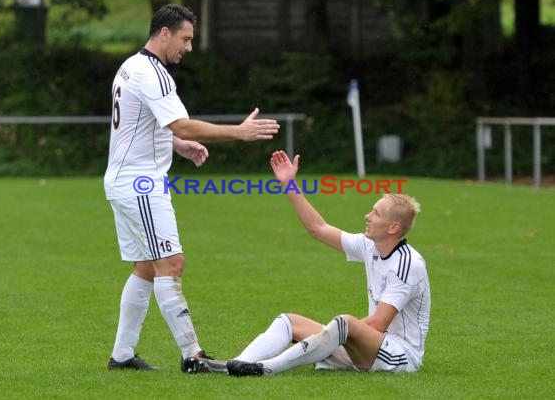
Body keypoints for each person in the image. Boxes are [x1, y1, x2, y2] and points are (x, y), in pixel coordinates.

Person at [104, 4, 280, 371]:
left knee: (147, 268)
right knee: (171, 263)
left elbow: (140, 126)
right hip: (141, 186)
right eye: (185, 38)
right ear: (164, 33)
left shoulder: (130, 66)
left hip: (126, 180)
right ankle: (193, 356)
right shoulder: (154, 74)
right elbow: (182, 124)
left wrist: (175, 145)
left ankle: (121, 355)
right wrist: (239, 132)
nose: (188, 47)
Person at [183, 150, 430, 376]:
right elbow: (318, 229)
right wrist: (289, 184)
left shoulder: (408, 264)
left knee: (343, 323)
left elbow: (378, 324)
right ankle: (231, 366)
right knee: (288, 321)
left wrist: (330, 335)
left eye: (376, 213)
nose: (367, 216)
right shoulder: (370, 245)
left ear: (393, 227)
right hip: (365, 349)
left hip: (398, 356)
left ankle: (264, 369)